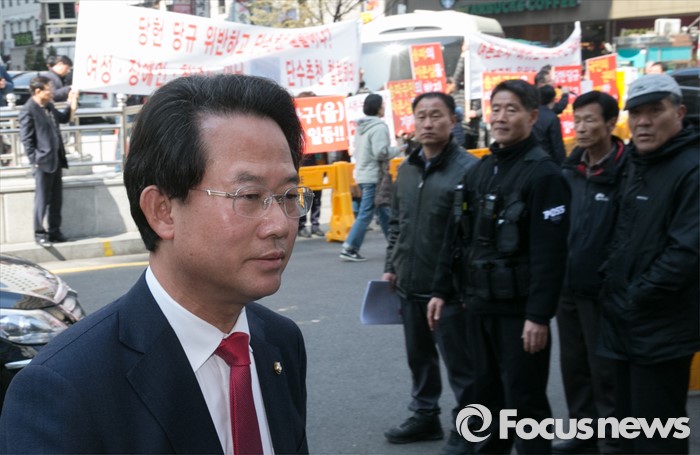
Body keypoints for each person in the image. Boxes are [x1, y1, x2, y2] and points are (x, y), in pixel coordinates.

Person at [0, 74, 311, 454]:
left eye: (289, 195)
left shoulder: (279, 342)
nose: (280, 225)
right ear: (162, 211)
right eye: (249, 196)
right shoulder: (65, 387)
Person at [450, 79, 569, 454]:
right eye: (496, 108)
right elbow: (464, 240)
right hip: (480, 305)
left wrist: (538, 316)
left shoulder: (545, 175)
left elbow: (551, 254)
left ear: (532, 117)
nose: (501, 117)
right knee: (487, 399)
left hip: (520, 314)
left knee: (525, 402)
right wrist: (454, 291)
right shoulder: (483, 169)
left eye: (511, 109)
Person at [599, 73, 699, 455]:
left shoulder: (691, 168)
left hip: (661, 327)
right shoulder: (636, 162)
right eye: (636, 113)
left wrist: (632, 298)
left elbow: (685, 253)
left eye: (655, 111)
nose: (643, 122)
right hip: (625, 323)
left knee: (658, 436)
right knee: (628, 433)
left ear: (679, 113)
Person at [383, 92, 477, 455]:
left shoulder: (469, 170)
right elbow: (397, 223)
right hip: (410, 284)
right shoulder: (407, 169)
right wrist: (391, 266)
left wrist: (458, 287)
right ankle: (425, 416)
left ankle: (472, 427)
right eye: (421, 116)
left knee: (463, 367)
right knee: (419, 358)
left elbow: (470, 239)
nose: (427, 123)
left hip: (450, 291)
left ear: (453, 120)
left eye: (436, 115)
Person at [553, 91, 626, 455]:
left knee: (606, 369)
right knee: (574, 365)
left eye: (589, 120)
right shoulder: (570, 170)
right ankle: (583, 431)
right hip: (568, 285)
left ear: (610, 123)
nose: (580, 128)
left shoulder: (627, 170)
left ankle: (613, 438)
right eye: (576, 120)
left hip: (604, 290)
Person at [340, 94, 403, 261]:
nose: (384, 107)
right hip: (374, 176)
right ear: (378, 107)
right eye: (383, 105)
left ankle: (395, 245)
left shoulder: (362, 126)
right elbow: (380, 152)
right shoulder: (379, 127)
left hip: (363, 174)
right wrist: (399, 149)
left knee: (383, 211)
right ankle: (349, 247)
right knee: (367, 213)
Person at [18, 75, 77, 247]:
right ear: (38, 91)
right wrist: (35, 160)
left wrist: (72, 101)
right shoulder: (28, 110)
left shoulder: (49, 106)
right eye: (48, 89)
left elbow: (64, 118)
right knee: (42, 200)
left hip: (56, 159)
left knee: (57, 199)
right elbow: (26, 139)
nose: (52, 92)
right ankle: (39, 233)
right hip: (42, 162)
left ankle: (54, 231)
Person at [533, 84, 566, 165]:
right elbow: (557, 146)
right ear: (554, 99)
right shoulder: (552, 118)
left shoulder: (532, 114)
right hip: (548, 161)